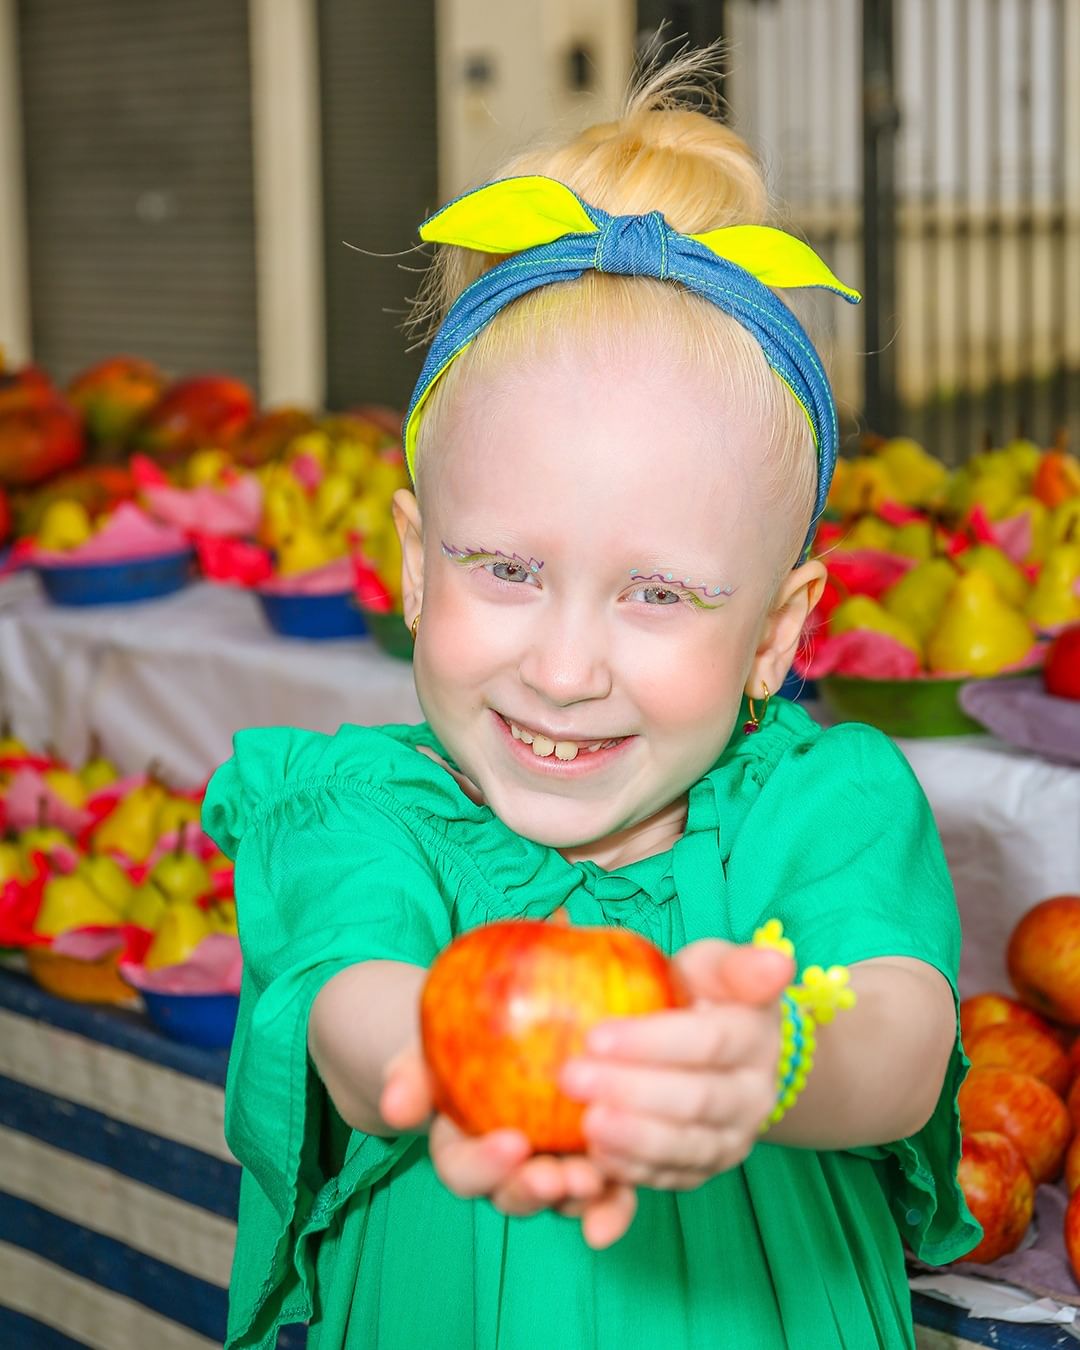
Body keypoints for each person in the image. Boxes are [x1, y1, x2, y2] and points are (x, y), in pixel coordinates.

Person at [203, 49, 979, 1350]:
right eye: (506, 569)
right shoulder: (363, 813)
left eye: (660, 594)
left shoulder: (816, 807)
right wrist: (461, 1065)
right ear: (408, 561)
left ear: (779, 632)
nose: (564, 668)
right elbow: (354, 1009)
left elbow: (899, 1043)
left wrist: (763, 1062)